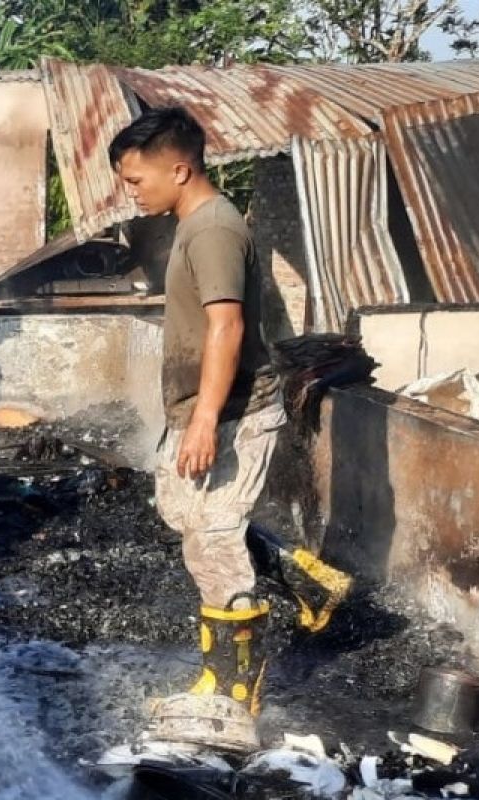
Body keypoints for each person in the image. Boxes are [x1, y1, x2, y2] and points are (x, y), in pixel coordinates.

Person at [108, 108, 350, 722]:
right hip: (201, 406)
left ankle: (234, 690)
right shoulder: (195, 223)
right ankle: (305, 577)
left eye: (136, 180)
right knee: (181, 513)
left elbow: (227, 324)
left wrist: (207, 420)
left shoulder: (214, 230)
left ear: (180, 170)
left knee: (214, 547)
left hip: (235, 412)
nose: (130, 191)